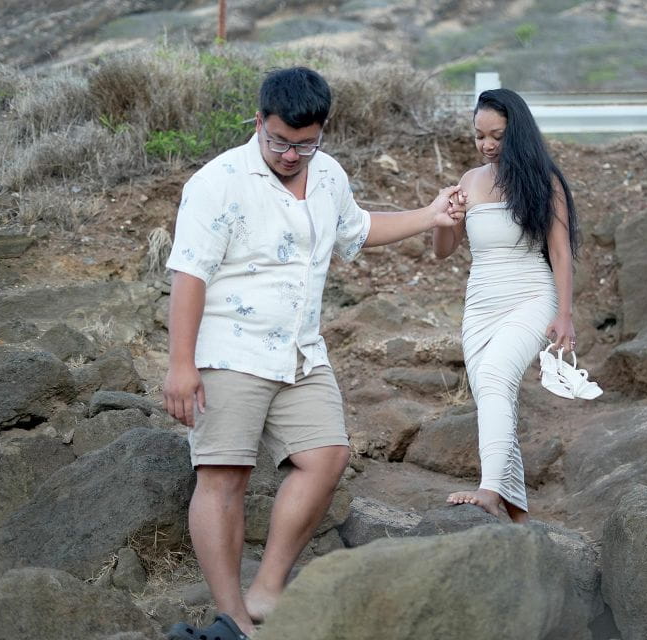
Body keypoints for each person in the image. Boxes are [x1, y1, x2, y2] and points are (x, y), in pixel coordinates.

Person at [162, 66, 465, 639]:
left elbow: (357, 230)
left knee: (327, 456)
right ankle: (232, 620)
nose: (292, 154)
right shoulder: (218, 181)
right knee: (224, 477)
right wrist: (182, 365)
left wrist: (429, 215)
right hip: (230, 350)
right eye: (280, 141)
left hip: (301, 352)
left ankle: (268, 590)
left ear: (322, 131)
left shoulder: (326, 174)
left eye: (306, 143)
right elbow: (189, 276)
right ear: (259, 123)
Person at [433, 88, 579, 524]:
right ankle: (515, 513)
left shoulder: (542, 180)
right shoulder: (469, 180)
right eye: (479, 136)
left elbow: (561, 252)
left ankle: (490, 490)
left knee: (496, 376)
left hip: (531, 296)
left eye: (496, 135)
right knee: (492, 395)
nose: (487, 144)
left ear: (517, 132)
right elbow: (443, 249)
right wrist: (447, 213)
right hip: (480, 304)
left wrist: (565, 315)